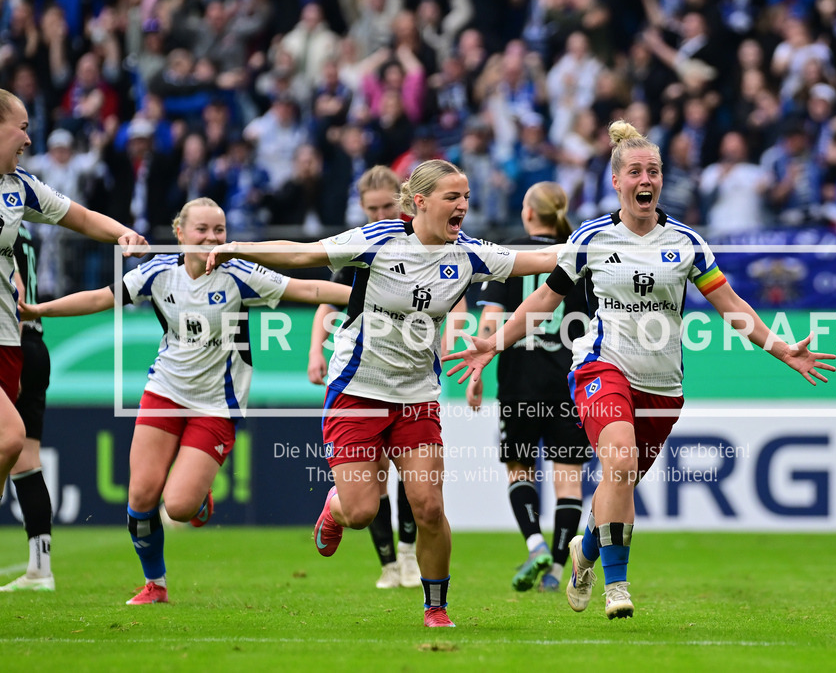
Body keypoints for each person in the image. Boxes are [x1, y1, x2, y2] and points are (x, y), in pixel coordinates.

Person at [445, 121, 836, 620]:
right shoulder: (591, 237)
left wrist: (781, 349)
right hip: (601, 366)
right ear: (617, 181)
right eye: (635, 171)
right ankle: (617, 587)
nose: (645, 179)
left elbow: (730, 304)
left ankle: (584, 550)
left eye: (653, 170)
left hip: (663, 385)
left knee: (620, 480)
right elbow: (544, 299)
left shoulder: (687, 243)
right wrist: (493, 344)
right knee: (621, 462)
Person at [206, 159, 558, 628]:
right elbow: (303, 254)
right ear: (421, 202)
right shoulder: (377, 240)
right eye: (453, 197)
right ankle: (334, 508)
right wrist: (238, 248)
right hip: (357, 391)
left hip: (416, 396)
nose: (463, 206)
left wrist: (602, 245)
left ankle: (436, 608)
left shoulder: (469, 253)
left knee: (429, 506)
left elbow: (542, 259)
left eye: (467, 197)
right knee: (360, 511)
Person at [19, 198, 353, 606]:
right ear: (180, 233)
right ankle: (155, 584)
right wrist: (40, 310)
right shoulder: (159, 273)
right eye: (202, 229)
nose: (212, 238)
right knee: (141, 497)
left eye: (219, 230)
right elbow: (100, 298)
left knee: (177, 507)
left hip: (217, 405)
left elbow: (310, 289)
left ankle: (196, 498)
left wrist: (369, 300)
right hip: (164, 391)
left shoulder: (240, 274)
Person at [0, 88, 147, 517]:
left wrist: (122, 233)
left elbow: (78, 216)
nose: (29, 139)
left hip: (7, 335)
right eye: (22, 128)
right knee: (11, 437)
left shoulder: (19, 187)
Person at [468, 181, 591, 593]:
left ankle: (535, 543)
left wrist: (476, 374)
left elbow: (491, 320)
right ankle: (556, 569)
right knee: (568, 478)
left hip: (518, 381)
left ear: (529, 212)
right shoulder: (579, 256)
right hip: (568, 381)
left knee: (519, 469)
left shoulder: (508, 255)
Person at [306, 165, 420, 590]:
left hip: (410, 372)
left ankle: (408, 555)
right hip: (365, 374)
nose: (379, 215)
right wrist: (315, 351)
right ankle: (388, 563)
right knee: (376, 476)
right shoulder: (361, 244)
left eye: (386, 206)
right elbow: (326, 300)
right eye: (371, 209)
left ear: (403, 202)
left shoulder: (422, 242)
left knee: (413, 472)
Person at [0, 226, 55, 591]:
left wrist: (14, 360)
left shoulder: (4, 223)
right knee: (27, 462)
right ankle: (40, 569)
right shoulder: (24, 228)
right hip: (36, 343)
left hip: (13, 341)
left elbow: (15, 292)